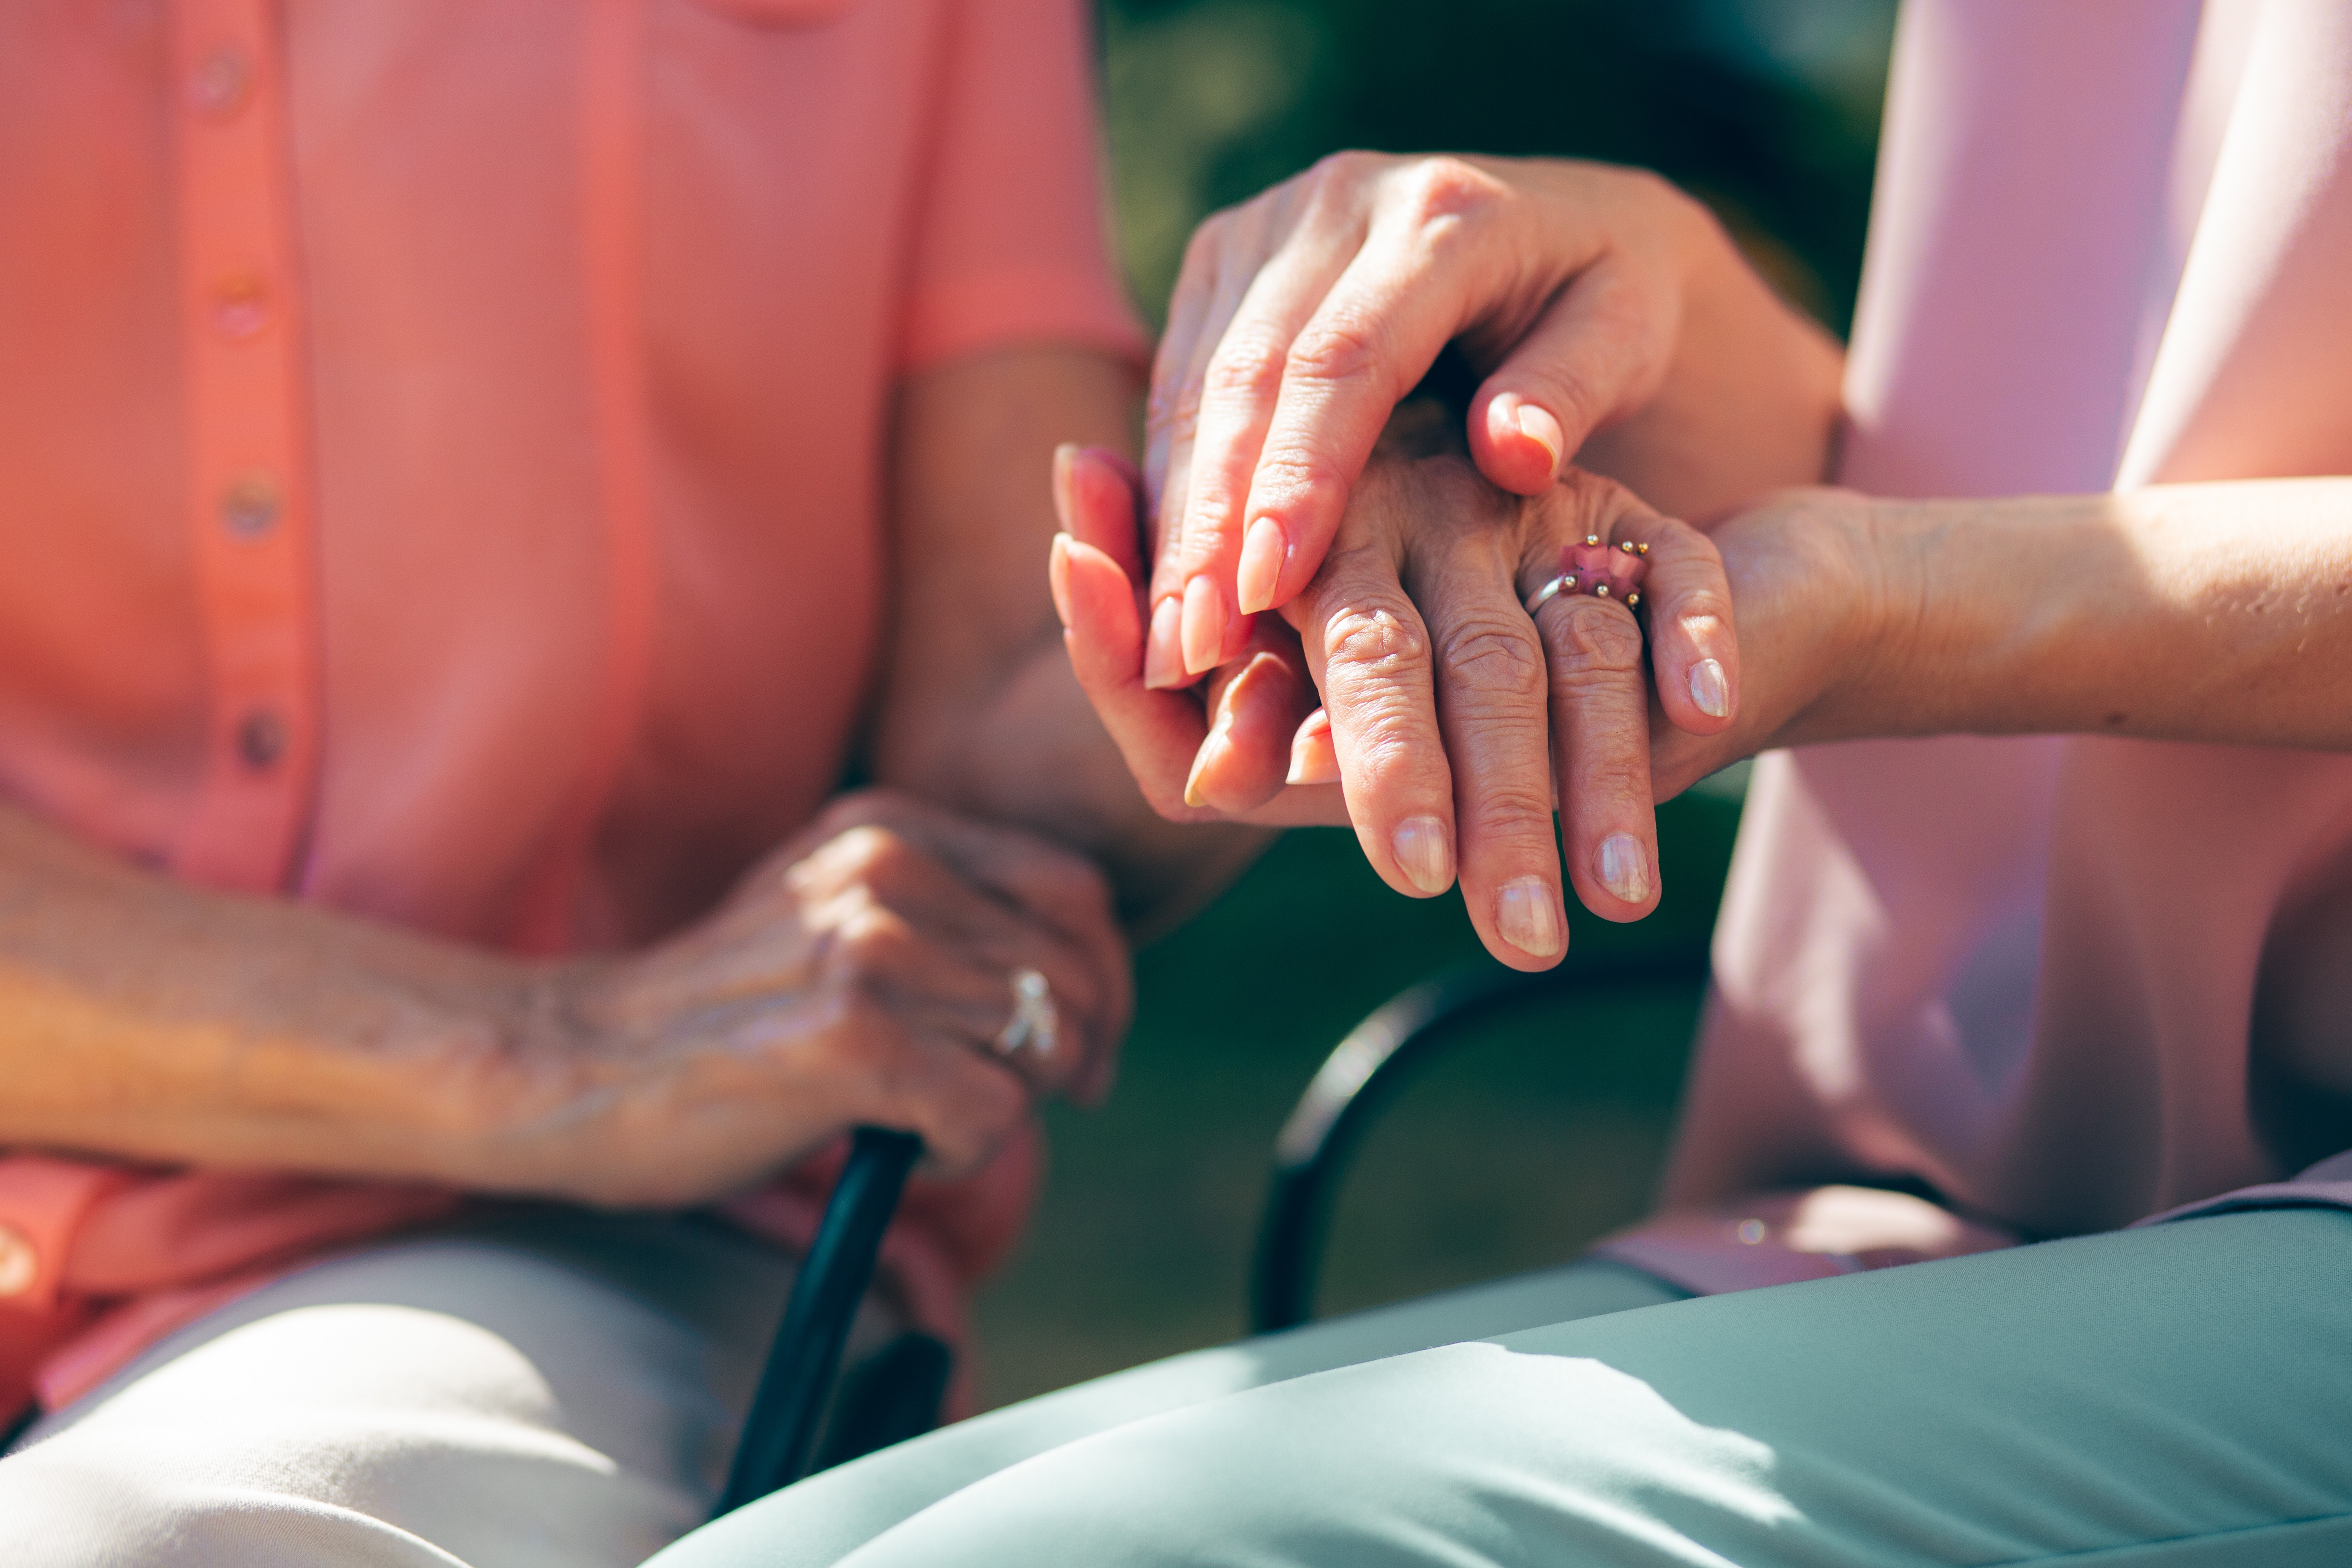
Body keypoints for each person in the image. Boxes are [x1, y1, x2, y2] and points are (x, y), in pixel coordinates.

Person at [655, 3, 2352, 1563]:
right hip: (1984, 1193)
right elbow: (2098, 404)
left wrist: (1889, 605)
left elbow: (1950, 562)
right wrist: (1612, 346)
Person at [0, 2, 1267, 1562]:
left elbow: (1022, 662)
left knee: (159, 1543)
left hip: (563, 1250)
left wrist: (1301, 563)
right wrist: (564, 1048)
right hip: (583, 1097)